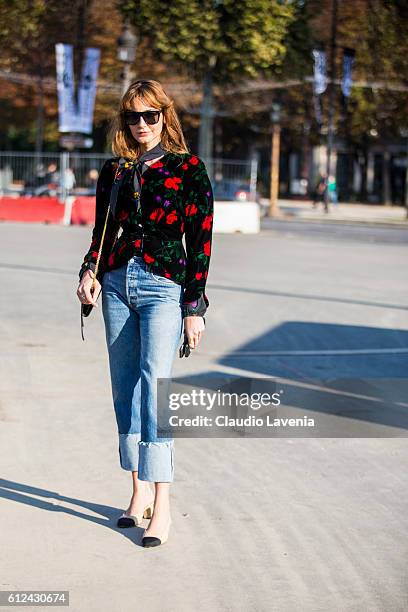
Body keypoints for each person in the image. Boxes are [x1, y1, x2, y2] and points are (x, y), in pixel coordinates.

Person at [76, 79, 214, 548]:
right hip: (115, 284)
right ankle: (137, 495)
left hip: (163, 287)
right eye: (133, 116)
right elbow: (102, 232)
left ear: (164, 117)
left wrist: (193, 306)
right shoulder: (114, 171)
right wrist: (88, 272)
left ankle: (164, 504)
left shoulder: (188, 170)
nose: (141, 124)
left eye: (150, 115)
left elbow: (201, 241)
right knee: (125, 388)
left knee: (156, 387)